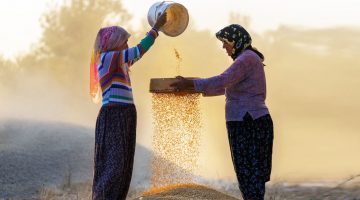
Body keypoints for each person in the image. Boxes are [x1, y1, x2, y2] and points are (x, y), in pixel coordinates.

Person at [171, 24, 274, 200]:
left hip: (248, 121)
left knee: (249, 175)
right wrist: (193, 87)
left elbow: (223, 80)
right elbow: (226, 87)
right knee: (249, 176)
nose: (223, 47)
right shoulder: (247, 59)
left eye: (226, 42)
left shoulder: (246, 59)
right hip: (249, 121)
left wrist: (190, 84)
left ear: (237, 41)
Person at [89, 13, 167, 200]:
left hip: (124, 115)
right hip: (114, 115)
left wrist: (156, 31)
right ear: (113, 44)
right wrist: (155, 29)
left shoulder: (119, 61)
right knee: (114, 166)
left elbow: (138, 53)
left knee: (123, 165)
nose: (126, 45)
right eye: (123, 42)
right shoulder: (108, 58)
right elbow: (138, 50)